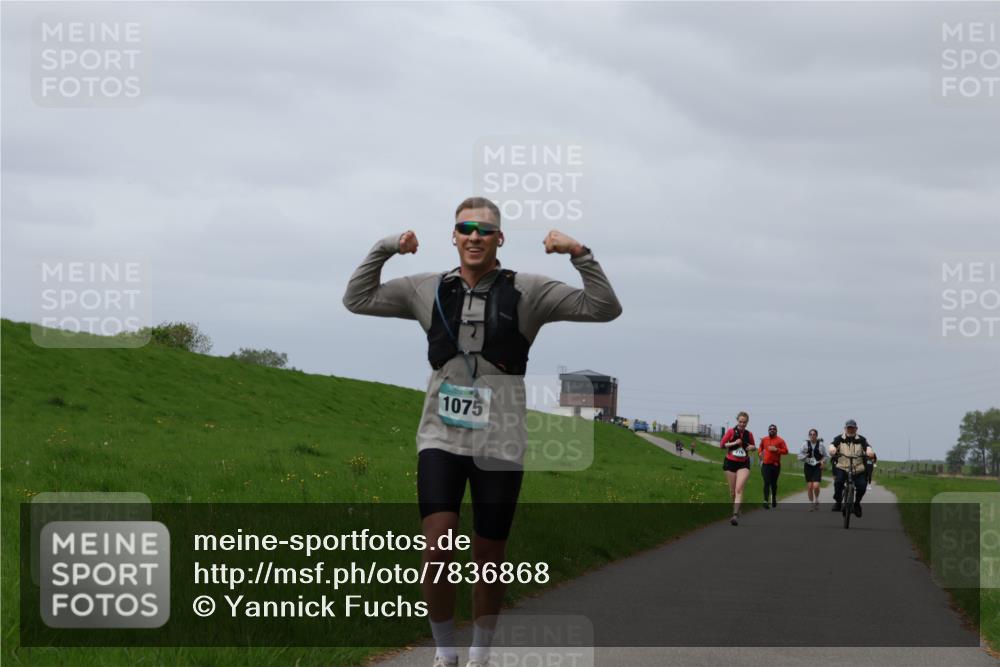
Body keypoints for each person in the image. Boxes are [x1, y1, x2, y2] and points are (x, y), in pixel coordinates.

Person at [343, 197, 621, 667]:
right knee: (437, 547)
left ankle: (480, 654)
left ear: (500, 239)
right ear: (453, 236)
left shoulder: (529, 290)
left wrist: (578, 251)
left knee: (489, 555)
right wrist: (387, 246)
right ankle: (445, 651)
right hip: (440, 437)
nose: (475, 236)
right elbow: (357, 298)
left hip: (502, 441)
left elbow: (604, 307)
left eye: (485, 230)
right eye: (465, 228)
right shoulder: (426, 287)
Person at [828, 419, 875, 517]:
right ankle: (838, 502)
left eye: (852, 428)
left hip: (858, 469)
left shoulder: (861, 440)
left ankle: (857, 504)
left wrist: (870, 452)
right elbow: (832, 445)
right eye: (848, 428)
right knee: (838, 482)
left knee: (862, 486)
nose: (850, 430)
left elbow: (868, 447)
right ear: (845, 428)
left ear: (856, 429)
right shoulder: (839, 439)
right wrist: (832, 450)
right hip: (842, 467)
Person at [719, 411, 756, 526]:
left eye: (744, 422)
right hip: (730, 462)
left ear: (747, 422)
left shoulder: (749, 434)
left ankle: (735, 515)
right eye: (740, 421)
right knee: (732, 492)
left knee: (739, 489)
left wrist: (752, 447)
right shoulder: (731, 431)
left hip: (743, 463)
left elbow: (753, 446)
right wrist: (734, 442)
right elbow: (721, 445)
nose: (742, 424)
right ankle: (736, 508)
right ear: (737, 421)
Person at [758, 424, 789, 509]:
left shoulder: (780, 441)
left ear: (776, 430)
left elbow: (786, 451)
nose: (772, 430)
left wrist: (776, 450)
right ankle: (765, 501)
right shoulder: (764, 439)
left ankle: (774, 498)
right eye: (770, 429)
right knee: (766, 482)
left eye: (774, 429)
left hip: (775, 465)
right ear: (768, 430)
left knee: (773, 483)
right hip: (765, 464)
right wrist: (760, 453)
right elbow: (760, 447)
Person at [797, 429, 826, 511]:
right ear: (809, 435)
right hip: (808, 466)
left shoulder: (821, 445)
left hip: (817, 466)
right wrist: (804, 456)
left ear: (817, 435)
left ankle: (816, 499)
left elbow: (826, 456)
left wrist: (823, 462)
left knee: (816, 486)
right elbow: (799, 456)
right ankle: (811, 504)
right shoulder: (805, 444)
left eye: (814, 434)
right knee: (810, 487)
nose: (812, 436)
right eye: (811, 434)